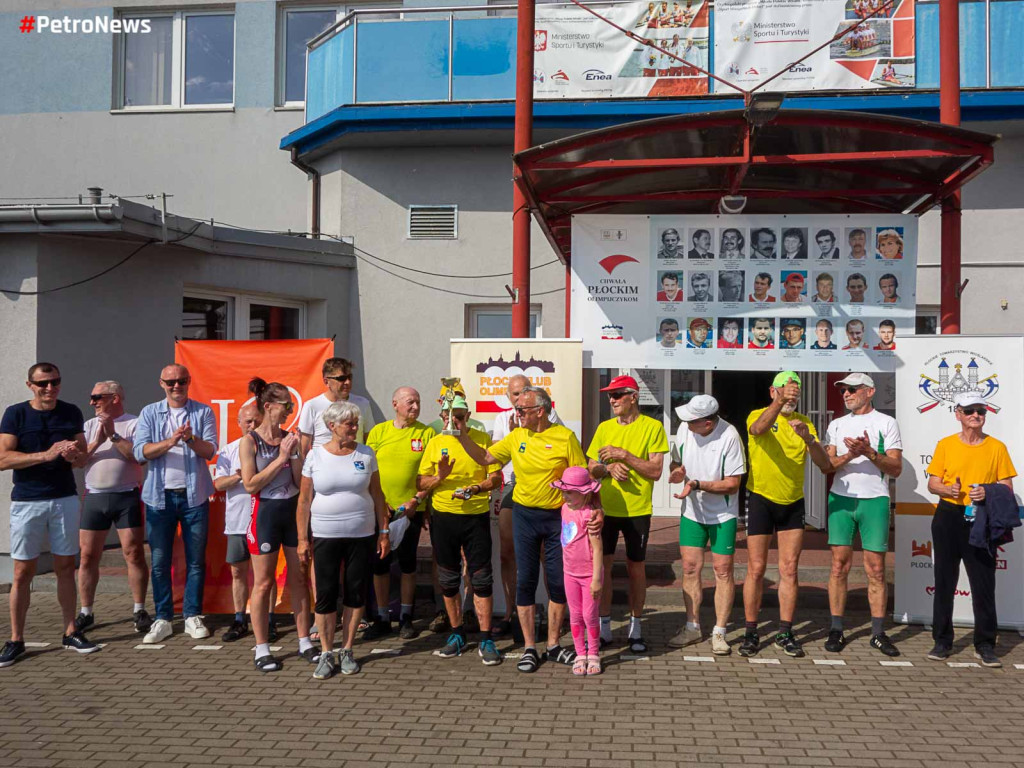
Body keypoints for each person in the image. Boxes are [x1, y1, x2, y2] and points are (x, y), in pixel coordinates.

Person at [456, 386, 589, 673]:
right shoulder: (516, 437)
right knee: (525, 581)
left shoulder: (565, 437)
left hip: (557, 519)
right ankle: (530, 647)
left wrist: (593, 511)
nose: (517, 414)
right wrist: (461, 435)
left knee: (556, 581)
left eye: (522, 410)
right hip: (524, 516)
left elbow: (581, 479)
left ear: (540, 411)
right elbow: (486, 459)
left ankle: (553, 645)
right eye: (517, 409)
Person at [0, 363, 95, 667]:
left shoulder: (70, 411)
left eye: (54, 382)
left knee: (66, 566)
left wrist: (73, 456)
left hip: (64, 498)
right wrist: (46, 455)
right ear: (30, 385)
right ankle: (16, 639)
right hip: (27, 501)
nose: (49, 388)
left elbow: (82, 459)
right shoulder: (16, 413)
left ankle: (70, 631)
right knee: (21, 572)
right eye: (42, 384)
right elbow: (3, 459)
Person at [297, 400, 391, 679]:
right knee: (325, 594)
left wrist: (383, 532)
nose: (354, 428)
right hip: (325, 535)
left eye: (356, 423)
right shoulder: (314, 456)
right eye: (349, 424)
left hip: (361, 535)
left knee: (355, 592)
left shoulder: (366, 453)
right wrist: (303, 539)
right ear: (332, 426)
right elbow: (304, 501)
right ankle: (327, 652)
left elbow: (378, 495)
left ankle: (347, 649)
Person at [741, 372, 831, 658]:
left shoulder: (804, 422)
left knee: (789, 569)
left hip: (793, 502)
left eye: (795, 391)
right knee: (756, 568)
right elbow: (757, 430)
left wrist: (810, 441)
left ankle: (785, 631)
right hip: (761, 499)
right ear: (772, 391)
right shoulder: (759, 413)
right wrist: (779, 403)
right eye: (785, 389)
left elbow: (823, 464)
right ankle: (751, 631)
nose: (791, 395)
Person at [925, 393, 1016, 667]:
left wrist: (986, 493)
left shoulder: (997, 447)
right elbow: (932, 483)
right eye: (970, 410)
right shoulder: (945, 445)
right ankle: (942, 641)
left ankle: (986, 644)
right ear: (958, 414)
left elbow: (1007, 489)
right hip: (948, 517)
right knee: (944, 582)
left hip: (981, 520)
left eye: (980, 410)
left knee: (984, 584)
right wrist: (948, 489)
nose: (976, 415)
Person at [134, 364, 218, 644]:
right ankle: (163, 618)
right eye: (170, 382)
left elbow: (210, 451)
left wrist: (190, 438)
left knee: (195, 560)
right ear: (161, 384)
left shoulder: (203, 411)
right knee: (160, 562)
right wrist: (170, 441)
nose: (176, 386)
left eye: (181, 381)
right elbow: (141, 453)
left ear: (189, 382)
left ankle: (193, 615)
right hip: (159, 497)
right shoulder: (149, 412)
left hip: (194, 496)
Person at [585, 375, 668, 653]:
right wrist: (607, 469)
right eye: (610, 395)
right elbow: (590, 469)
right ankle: (605, 627)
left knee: (636, 569)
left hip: (637, 510)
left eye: (618, 394)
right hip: (605, 509)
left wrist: (624, 456)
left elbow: (656, 472)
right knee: (604, 567)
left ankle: (636, 628)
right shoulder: (604, 427)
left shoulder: (653, 427)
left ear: (634, 396)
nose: (612, 400)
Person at [417, 396, 503, 665]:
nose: (453, 420)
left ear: (468, 416)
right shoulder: (435, 442)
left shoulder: (481, 438)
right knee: (448, 577)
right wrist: (441, 477)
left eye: (459, 415)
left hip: (475, 516)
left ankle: (486, 637)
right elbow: (421, 481)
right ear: (441, 416)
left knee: (481, 579)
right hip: (444, 517)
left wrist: (476, 488)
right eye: (448, 415)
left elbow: (496, 477)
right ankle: (456, 634)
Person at [822, 373, 903, 657]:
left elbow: (895, 468)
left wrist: (869, 452)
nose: (846, 394)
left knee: (876, 570)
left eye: (852, 389)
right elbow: (828, 465)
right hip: (841, 500)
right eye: (843, 390)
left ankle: (878, 633)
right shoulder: (837, 424)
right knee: (838, 567)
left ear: (870, 391)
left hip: (875, 501)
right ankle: (836, 628)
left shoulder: (886, 422)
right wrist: (850, 456)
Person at [239, 379, 310, 672]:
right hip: (265, 513)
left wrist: (294, 454)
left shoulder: (287, 437)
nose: (290, 410)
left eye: (291, 406)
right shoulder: (250, 441)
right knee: (264, 582)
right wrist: (280, 456)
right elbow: (249, 483)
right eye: (286, 406)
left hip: (291, 512)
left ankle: (305, 641)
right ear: (268, 407)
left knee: (299, 578)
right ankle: (262, 648)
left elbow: (296, 481)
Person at [667, 395, 746, 655]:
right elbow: (676, 461)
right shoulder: (684, 428)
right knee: (689, 568)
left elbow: (733, 484)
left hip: (722, 514)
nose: (686, 423)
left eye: (692, 420)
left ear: (709, 422)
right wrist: (677, 470)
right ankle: (692, 626)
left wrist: (698, 484)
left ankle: (720, 632)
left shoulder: (730, 436)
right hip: (692, 511)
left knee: (722, 571)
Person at [490, 374, 565, 638]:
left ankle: (551, 611)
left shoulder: (550, 418)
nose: (518, 398)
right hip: (512, 487)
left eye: (523, 392)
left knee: (547, 556)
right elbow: (493, 456)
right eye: (514, 394)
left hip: (546, 491)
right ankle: (511, 611)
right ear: (508, 397)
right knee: (507, 552)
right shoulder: (502, 419)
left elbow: (567, 452)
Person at [74, 380, 149, 636]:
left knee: (134, 553)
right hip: (94, 496)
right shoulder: (88, 425)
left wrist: (114, 435)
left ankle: (139, 608)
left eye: (97, 397)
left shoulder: (135, 422)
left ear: (114, 398)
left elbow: (138, 457)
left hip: (126, 495)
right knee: (87, 556)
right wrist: (97, 439)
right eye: (92, 397)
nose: (92, 402)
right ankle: (86, 611)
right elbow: (80, 460)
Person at [364, 387, 436, 640]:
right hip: (381, 510)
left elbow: (431, 475)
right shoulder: (379, 431)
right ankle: (382, 616)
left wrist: (417, 501)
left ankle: (406, 616)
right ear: (395, 404)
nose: (415, 406)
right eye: (410, 402)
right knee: (380, 565)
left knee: (408, 565)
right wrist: (378, 502)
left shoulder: (427, 433)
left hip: (410, 511)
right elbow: (367, 470)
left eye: (418, 402)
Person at [213, 403, 278, 643]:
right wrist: (239, 476)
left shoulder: (270, 447)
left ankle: (269, 620)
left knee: (265, 575)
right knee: (238, 572)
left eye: (255, 421)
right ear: (239, 423)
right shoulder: (229, 450)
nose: (251, 426)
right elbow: (218, 484)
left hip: (263, 521)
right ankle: (240, 619)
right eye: (247, 422)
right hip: (238, 522)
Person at [552, 467, 604, 676]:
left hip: (589, 575)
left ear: (585, 492)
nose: (566, 496)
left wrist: (597, 580)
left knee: (589, 615)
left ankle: (593, 653)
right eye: (564, 491)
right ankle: (579, 653)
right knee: (574, 615)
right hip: (569, 573)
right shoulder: (565, 508)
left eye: (570, 492)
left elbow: (598, 548)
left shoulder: (590, 515)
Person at [298, 357, 375, 454]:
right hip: (323, 466)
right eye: (341, 379)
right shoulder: (312, 406)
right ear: (326, 382)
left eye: (350, 377)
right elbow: (302, 447)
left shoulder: (363, 403)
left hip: (355, 465)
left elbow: (370, 439)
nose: (348, 382)